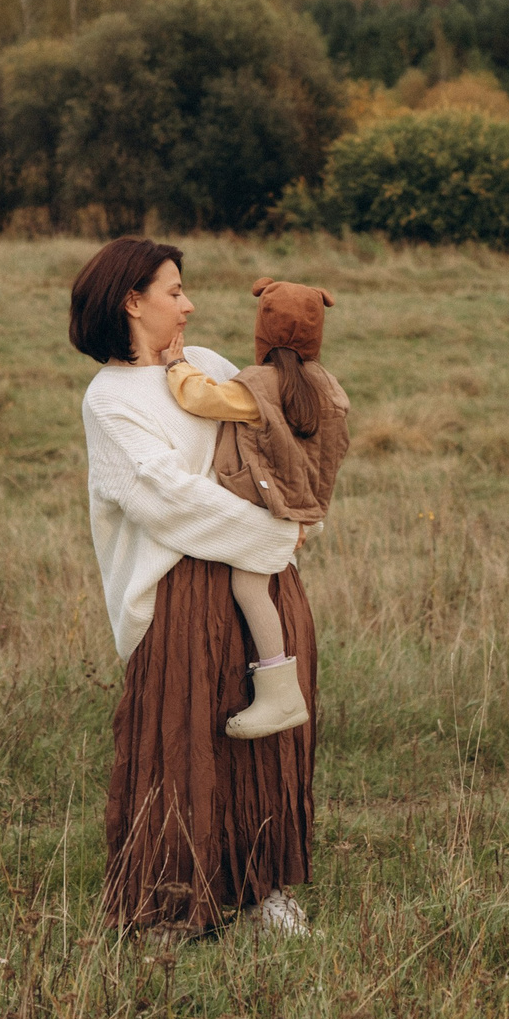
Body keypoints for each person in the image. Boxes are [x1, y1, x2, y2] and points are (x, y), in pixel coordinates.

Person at [72, 237, 318, 938]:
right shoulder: (110, 400)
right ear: (132, 300)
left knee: (266, 733)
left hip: (259, 580)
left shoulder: (205, 366)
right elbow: (164, 496)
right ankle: (175, 900)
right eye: (174, 291)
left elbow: (267, 436)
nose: (189, 303)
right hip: (182, 588)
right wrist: (273, 533)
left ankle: (263, 887)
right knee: (185, 739)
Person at [161, 277, 351, 740]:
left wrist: (176, 365)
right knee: (257, 585)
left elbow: (202, 398)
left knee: (249, 588)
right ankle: (279, 691)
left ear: (262, 331)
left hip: (265, 506)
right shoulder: (325, 386)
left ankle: (280, 693)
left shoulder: (262, 386)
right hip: (300, 502)